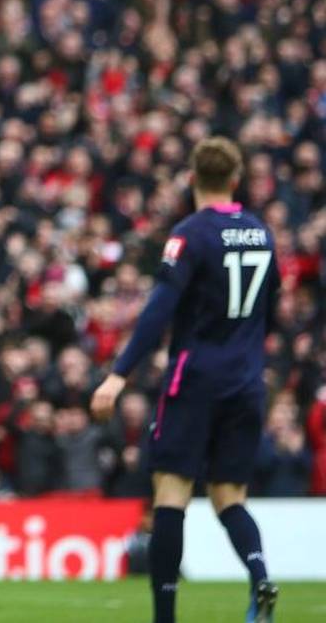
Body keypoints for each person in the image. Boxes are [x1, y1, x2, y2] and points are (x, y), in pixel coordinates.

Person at [92, 137, 280, 623]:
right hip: (246, 382)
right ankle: (260, 576)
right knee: (229, 497)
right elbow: (271, 308)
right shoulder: (261, 233)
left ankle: (165, 617)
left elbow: (159, 310)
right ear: (236, 179)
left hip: (194, 379)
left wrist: (118, 374)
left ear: (192, 178)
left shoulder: (190, 234)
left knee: (171, 495)